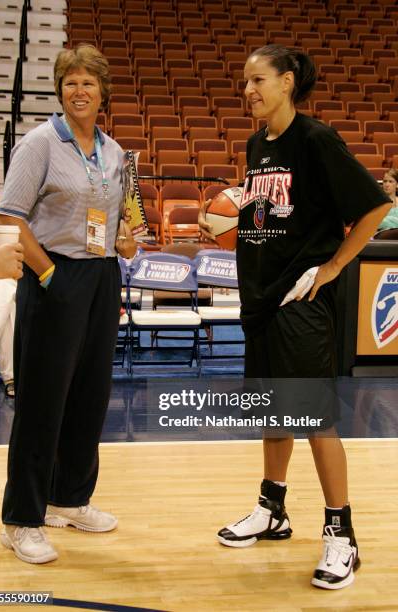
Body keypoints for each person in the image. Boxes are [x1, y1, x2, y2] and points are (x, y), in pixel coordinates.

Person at [199, 44, 391, 590]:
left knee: (314, 419)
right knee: (272, 414)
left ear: (287, 82)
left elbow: (375, 207)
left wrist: (332, 266)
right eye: (244, 81)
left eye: (258, 79)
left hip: (300, 303)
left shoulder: (316, 140)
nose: (248, 90)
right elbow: (267, 216)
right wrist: (228, 226)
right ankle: (272, 510)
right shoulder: (257, 143)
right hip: (260, 299)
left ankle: (342, 535)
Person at [0, 44, 136, 564]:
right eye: (70, 82)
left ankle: (70, 498)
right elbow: (12, 217)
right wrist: (49, 272)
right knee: (42, 402)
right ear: (59, 90)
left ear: (103, 93)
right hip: (52, 273)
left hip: (102, 277)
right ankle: (20, 519)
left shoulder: (115, 152)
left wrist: (123, 242)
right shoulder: (38, 144)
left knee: (89, 395)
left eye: (89, 83)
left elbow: (114, 220)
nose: (79, 91)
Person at [0, 199, 16, 397]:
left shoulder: (4, 236)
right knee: (6, 290)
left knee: (7, 291)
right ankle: (11, 377)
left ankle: (11, 377)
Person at [374, 168, 398, 238]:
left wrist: (386, 220)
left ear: (397, 184)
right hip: (381, 234)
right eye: (385, 181)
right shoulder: (377, 202)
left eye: (390, 181)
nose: (387, 184)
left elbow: (383, 221)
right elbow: (377, 223)